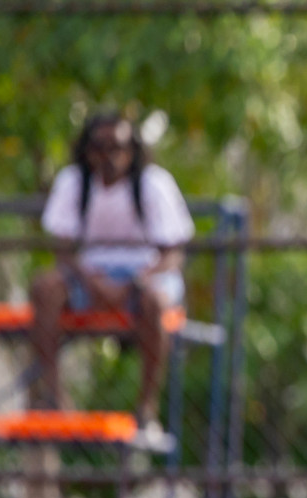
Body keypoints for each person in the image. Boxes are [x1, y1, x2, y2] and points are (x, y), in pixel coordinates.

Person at [30, 110, 194, 436]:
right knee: (44, 287)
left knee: (156, 301)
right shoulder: (74, 182)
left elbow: (173, 253)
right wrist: (93, 282)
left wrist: (136, 281)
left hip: (144, 275)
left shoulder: (153, 183)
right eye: (100, 147)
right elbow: (62, 248)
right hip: (90, 274)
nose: (110, 156)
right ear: (87, 151)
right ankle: (55, 396)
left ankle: (147, 406)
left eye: (118, 147)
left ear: (132, 149)